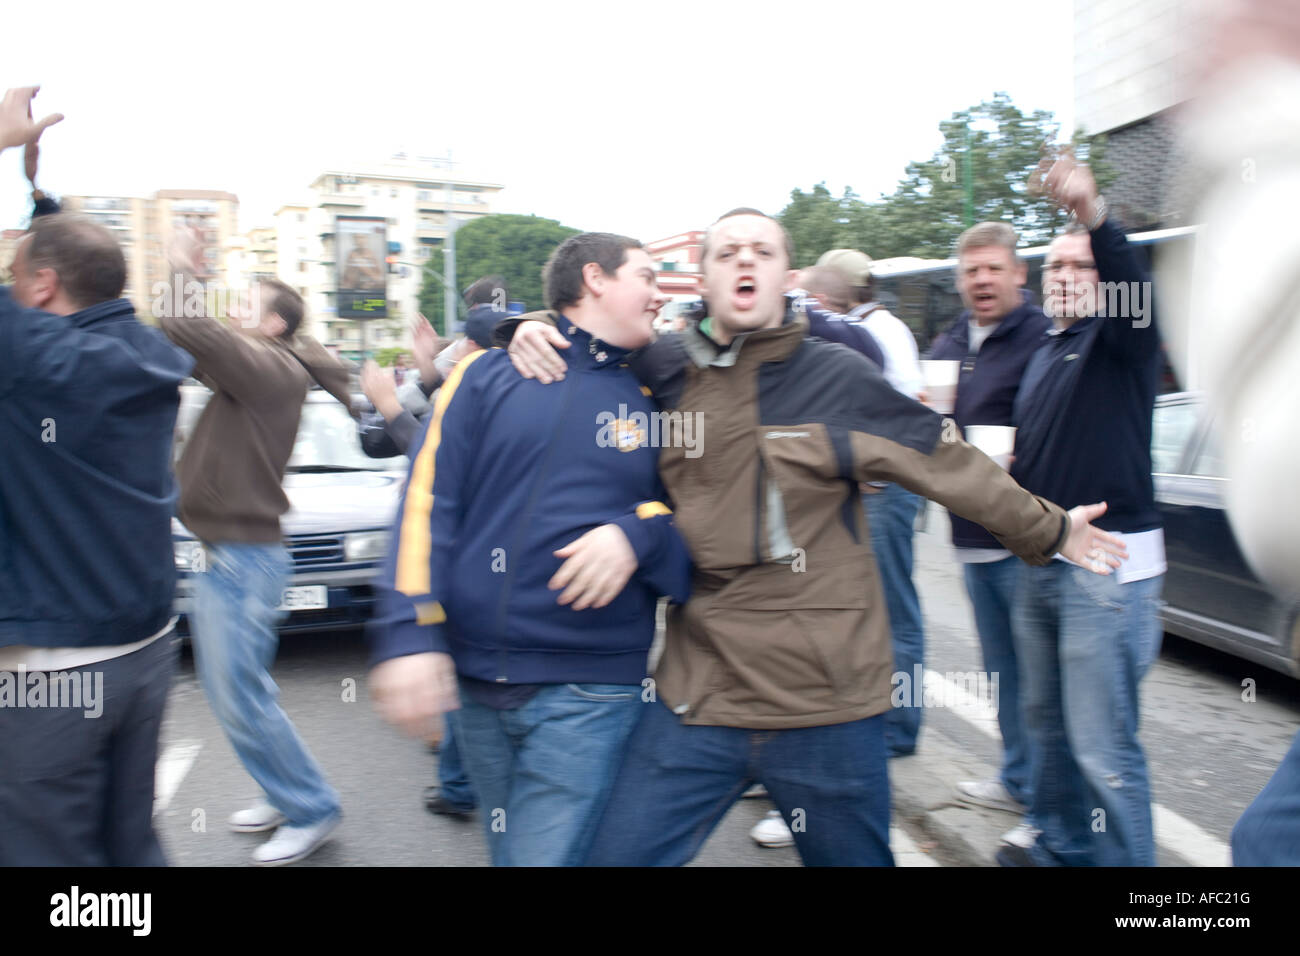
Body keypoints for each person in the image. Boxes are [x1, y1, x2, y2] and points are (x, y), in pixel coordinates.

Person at [503, 207, 1128, 866]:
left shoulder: (838, 375)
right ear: (705, 281)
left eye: (762, 252)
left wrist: (1052, 528)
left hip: (828, 709)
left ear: (788, 277)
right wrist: (522, 328)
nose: (746, 260)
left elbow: (947, 461)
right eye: (728, 252)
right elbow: (587, 339)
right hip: (699, 697)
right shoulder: (662, 369)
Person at [367, 232, 691, 866]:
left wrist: (640, 532)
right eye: (648, 277)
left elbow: (709, 527)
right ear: (595, 278)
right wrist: (410, 632)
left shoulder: (668, 395)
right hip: (474, 684)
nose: (661, 293)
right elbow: (427, 501)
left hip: (591, 688)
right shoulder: (486, 373)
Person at [0, 87, 194, 865]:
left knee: (45, 857)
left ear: (42, 288)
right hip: (144, 647)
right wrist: (38, 192)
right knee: (129, 843)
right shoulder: (145, 354)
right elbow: (71, 257)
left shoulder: (32, 360)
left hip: (54, 668)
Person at [159, 230, 356, 866]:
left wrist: (182, 267)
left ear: (273, 324)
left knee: (236, 692)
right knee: (244, 691)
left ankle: (311, 806)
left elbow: (186, 322)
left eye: (247, 305)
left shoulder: (268, 368)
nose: (234, 311)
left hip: (243, 559)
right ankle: (286, 791)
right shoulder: (260, 366)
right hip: (234, 554)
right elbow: (181, 343)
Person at [996, 152, 1166, 867]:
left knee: (1103, 744)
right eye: (1054, 268)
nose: (1065, 277)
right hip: (1044, 560)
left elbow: (1133, 289)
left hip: (1107, 568)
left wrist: (1093, 217)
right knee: (1049, 729)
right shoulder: (1046, 351)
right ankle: (1061, 845)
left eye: (1081, 265)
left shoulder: (1121, 341)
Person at [928, 222, 1051, 849]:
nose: (981, 280)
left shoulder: (1041, 336)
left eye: (993, 269)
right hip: (970, 533)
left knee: (1038, 680)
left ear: (1018, 274)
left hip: (1024, 539)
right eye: (971, 270)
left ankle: (1047, 806)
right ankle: (1015, 776)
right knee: (1002, 670)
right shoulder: (950, 338)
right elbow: (932, 416)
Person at [817, 246, 927, 757]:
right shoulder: (880, 328)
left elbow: (906, 408)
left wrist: (870, 471)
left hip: (882, 485)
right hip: (879, 483)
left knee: (892, 611)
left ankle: (897, 729)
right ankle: (879, 720)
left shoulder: (877, 332)